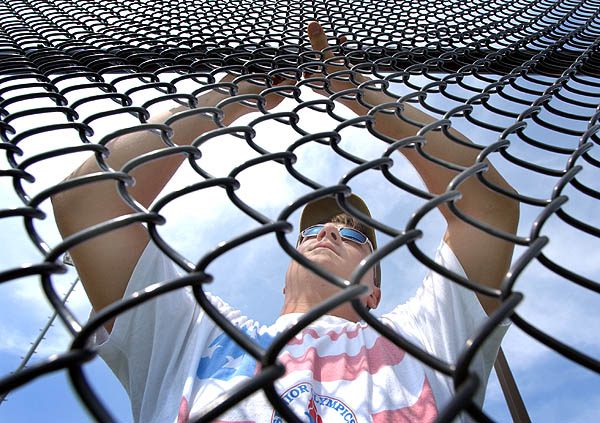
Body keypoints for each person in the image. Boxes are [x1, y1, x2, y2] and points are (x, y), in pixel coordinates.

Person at [52, 22, 519, 423]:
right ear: (285, 272)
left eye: (356, 235)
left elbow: (486, 204)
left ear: (374, 291)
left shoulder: (425, 336)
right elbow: (90, 202)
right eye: (310, 231)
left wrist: (364, 95)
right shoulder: (194, 336)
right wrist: (234, 95)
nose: (330, 231)